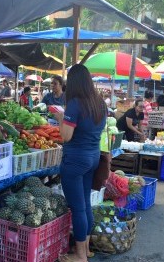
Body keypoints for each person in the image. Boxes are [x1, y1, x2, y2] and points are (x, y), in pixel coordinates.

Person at [53, 64, 107, 262]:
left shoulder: (75, 104)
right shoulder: (100, 102)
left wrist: (60, 118)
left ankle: (80, 255)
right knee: (84, 205)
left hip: (75, 160)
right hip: (92, 157)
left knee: (78, 208)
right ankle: (87, 249)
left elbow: (66, 136)